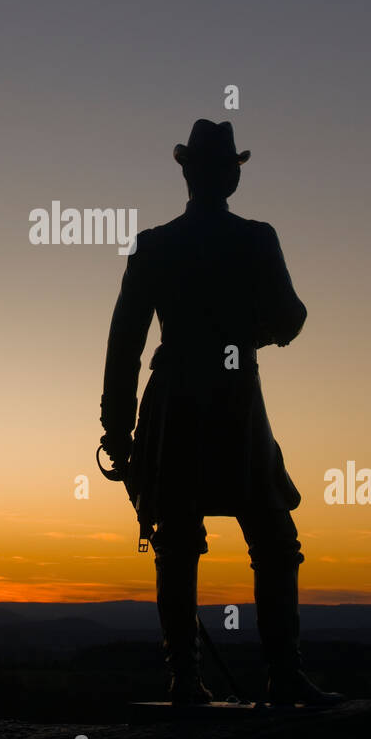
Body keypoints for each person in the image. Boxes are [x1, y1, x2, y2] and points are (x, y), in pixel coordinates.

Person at [99, 119, 342, 707]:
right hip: (235, 399)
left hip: (175, 400)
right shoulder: (257, 239)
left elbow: (125, 342)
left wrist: (117, 428)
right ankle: (282, 675)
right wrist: (247, 335)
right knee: (273, 537)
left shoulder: (156, 245)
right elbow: (290, 318)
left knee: (179, 541)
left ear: (188, 173)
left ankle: (185, 679)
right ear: (229, 174)